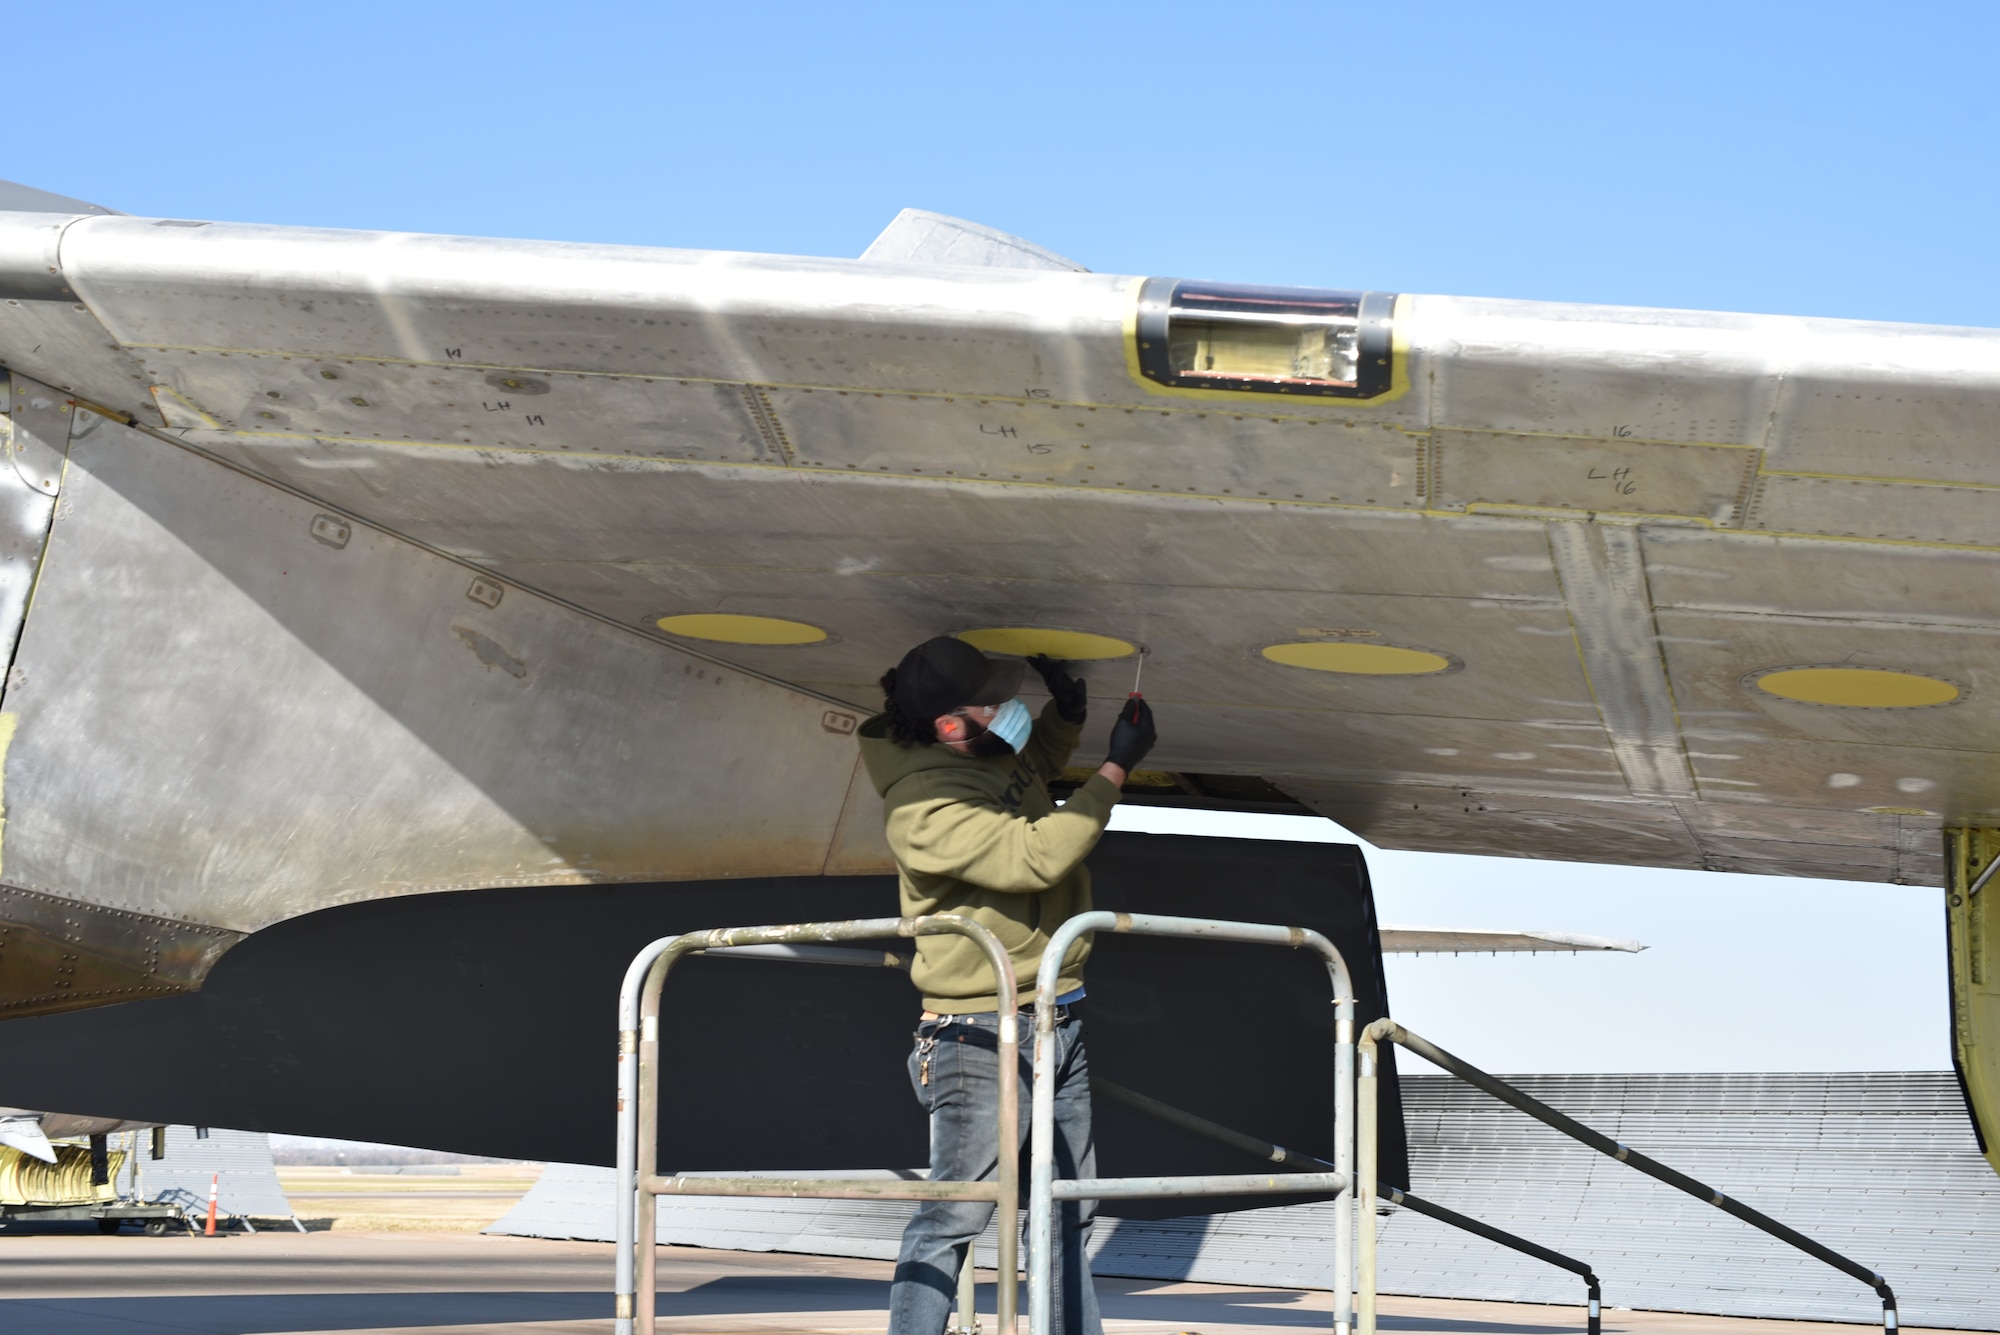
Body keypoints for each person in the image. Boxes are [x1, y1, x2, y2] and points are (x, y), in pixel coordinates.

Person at [858, 635, 1158, 1335]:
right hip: (977, 1033)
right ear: (951, 726)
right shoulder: (921, 809)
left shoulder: (974, 752)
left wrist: (1067, 716)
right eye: (994, 703)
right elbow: (1035, 856)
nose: (1009, 710)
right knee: (956, 1214)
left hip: (1058, 1013)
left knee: (1065, 1207)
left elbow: (1029, 773)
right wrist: (1117, 766)